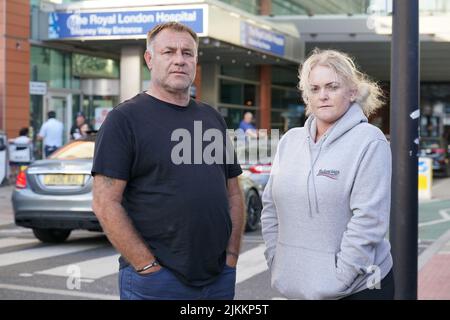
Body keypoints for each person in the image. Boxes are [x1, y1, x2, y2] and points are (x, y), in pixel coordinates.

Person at [91, 22, 244, 300]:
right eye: (169, 52)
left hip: (218, 278)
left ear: (196, 61)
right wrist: (146, 266)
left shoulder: (212, 119)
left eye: (188, 53)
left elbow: (233, 192)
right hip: (157, 282)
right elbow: (104, 202)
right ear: (149, 59)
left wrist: (231, 256)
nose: (179, 60)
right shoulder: (124, 120)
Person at [261, 48, 394, 300]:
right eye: (315, 89)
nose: (323, 96)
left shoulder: (369, 141)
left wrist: (338, 278)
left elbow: (369, 220)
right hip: (298, 287)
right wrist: (277, 261)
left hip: (358, 288)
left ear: (352, 92)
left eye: (332, 87)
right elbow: (270, 207)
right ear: (306, 96)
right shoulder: (289, 141)